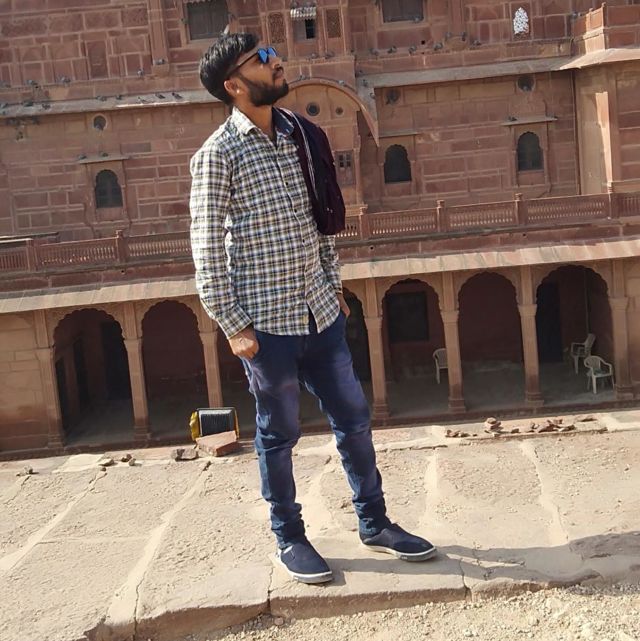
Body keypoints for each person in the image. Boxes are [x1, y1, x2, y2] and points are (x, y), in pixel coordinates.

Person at [189, 33, 436, 584]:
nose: (276, 62)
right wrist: (234, 326)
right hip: (266, 325)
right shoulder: (217, 155)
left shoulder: (298, 135)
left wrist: (334, 287)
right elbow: (205, 250)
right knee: (278, 436)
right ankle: (289, 537)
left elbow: (318, 219)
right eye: (262, 59)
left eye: (272, 53)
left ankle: (374, 522)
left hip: (319, 311)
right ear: (234, 85)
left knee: (354, 420)